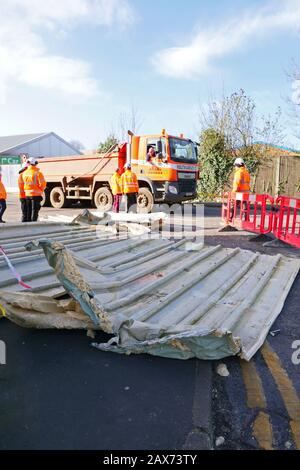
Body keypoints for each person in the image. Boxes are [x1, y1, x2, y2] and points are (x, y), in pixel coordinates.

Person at [22, 157, 46, 222]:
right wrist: (40, 190)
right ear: (35, 163)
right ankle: (33, 223)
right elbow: (43, 184)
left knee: (29, 210)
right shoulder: (38, 173)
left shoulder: (24, 173)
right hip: (36, 194)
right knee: (35, 210)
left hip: (27, 194)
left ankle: (29, 224)